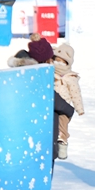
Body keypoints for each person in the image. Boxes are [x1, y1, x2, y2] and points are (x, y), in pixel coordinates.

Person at [8, 36, 74, 165]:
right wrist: (69, 109)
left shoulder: (18, 74)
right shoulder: (36, 77)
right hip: (42, 143)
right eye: (50, 59)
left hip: (23, 141)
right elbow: (55, 100)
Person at [52, 43, 84, 160]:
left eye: (61, 61)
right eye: (56, 61)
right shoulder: (51, 72)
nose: (58, 64)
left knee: (63, 124)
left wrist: (79, 108)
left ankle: (62, 143)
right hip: (52, 104)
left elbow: (76, 94)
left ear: (67, 63)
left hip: (64, 105)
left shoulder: (71, 78)